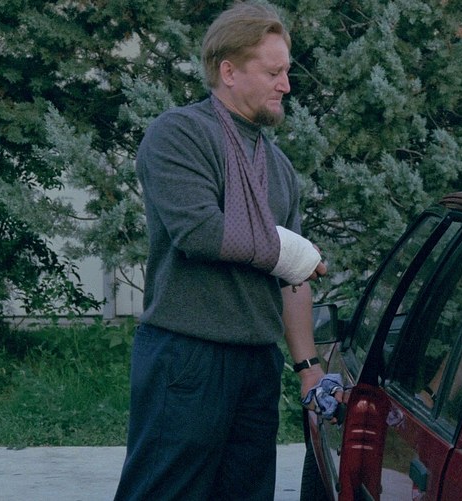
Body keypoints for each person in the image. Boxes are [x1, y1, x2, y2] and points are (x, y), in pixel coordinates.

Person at [114, 3, 328, 499]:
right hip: (188, 356)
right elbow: (201, 233)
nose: (285, 85)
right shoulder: (180, 134)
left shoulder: (279, 167)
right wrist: (294, 253)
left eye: (287, 73)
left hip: (257, 364)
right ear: (228, 72)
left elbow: (292, 280)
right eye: (273, 73)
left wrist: (307, 367)